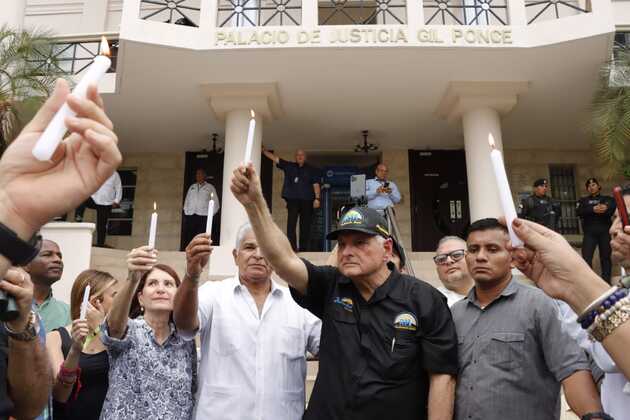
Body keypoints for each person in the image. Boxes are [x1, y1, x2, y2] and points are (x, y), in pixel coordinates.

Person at [230, 163, 458, 420]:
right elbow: (283, 260)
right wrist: (254, 203)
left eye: (360, 243)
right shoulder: (331, 286)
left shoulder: (425, 300)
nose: (347, 251)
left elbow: (442, 378)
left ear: (387, 249)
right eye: (342, 244)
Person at [0, 78, 121, 419]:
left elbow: (32, 405)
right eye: (44, 252)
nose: (56, 259)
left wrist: (21, 327)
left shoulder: (13, 306)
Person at [453, 218, 603, 420]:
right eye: (473, 249)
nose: (480, 257)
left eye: (492, 249)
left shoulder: (540, 305)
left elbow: (572, 370)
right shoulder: (455, 314)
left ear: (512, 258)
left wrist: (593, 416)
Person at [173, 226, 322, 420]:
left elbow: (332, 349)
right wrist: (192, 276)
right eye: (250, 247)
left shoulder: (298, 304)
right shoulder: (213, 294)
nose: (258, 255)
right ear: (236, 255)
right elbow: (184, 325)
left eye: (266, 249)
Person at [99, 251, 196, 420]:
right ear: (141, 299)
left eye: (168, 284)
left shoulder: (185, 340)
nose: (160, 289)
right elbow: (114, 326)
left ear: (178, 296)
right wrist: (133, 279)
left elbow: (192, 390)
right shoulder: (128, 329)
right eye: (152, 283)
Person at [46, 270, 118, 420]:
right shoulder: (55, 338)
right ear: (94, 301)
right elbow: (60, 395)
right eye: (114, 296)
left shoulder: (116, 339)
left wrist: (100, 327)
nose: (120, 301)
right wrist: (75, 350)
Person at [262, 148, 321, 252]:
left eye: (302, 155)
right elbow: (276, 159)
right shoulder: (289, 166)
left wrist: (317, 198)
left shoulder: (311, 169)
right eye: (298, 155)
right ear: (295, 157)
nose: (300, 156)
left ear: (305, 157)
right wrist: (264, 151)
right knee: (291, 226)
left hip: (307, 201)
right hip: (292, 200)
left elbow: (316, 184)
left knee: (305, 227)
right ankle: (293, 249)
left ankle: (304, 250)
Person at [25, 239, 70, 332]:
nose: (58, 260)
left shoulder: (67, 312)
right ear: (26, 263)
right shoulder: (7, 303)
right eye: (47, 254)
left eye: (59, 256)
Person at [576, 178, 616, 283]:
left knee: (605, 257)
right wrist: (593, 209)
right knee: (586, 258)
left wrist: (605, 208)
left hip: (604, 232)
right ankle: (590, 282)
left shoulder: (607, 199)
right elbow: (579, 211)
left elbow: (612, 208)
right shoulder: (583, 200)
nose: (591, 187)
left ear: (598, 186)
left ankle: (606, 281)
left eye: (593, 185)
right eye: (589, 186)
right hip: (590, 233)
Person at [74, 171, 122, 247]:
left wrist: (116, 200)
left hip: (106, 203)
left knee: (102, 224)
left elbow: (118, 187)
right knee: (81, 198)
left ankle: (100, 243)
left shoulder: (114, 174)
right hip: (94, 199)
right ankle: (78, 218)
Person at [183, 168, 219, 247]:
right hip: (191, 216)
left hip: (204, 217)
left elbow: (216, 203)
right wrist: (186, 211)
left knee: (201, 238)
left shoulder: (210, 187)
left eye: (200, 174)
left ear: (204, 176)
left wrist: (210, 215)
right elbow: (187, 200)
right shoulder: (192, 187)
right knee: (190, 237)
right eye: (197, 174)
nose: (198, 176)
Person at [433, 236, 473, 307]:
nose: (448, 261)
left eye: (457, 255)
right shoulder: (432, 302)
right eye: (441, 259)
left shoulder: (494, 293)